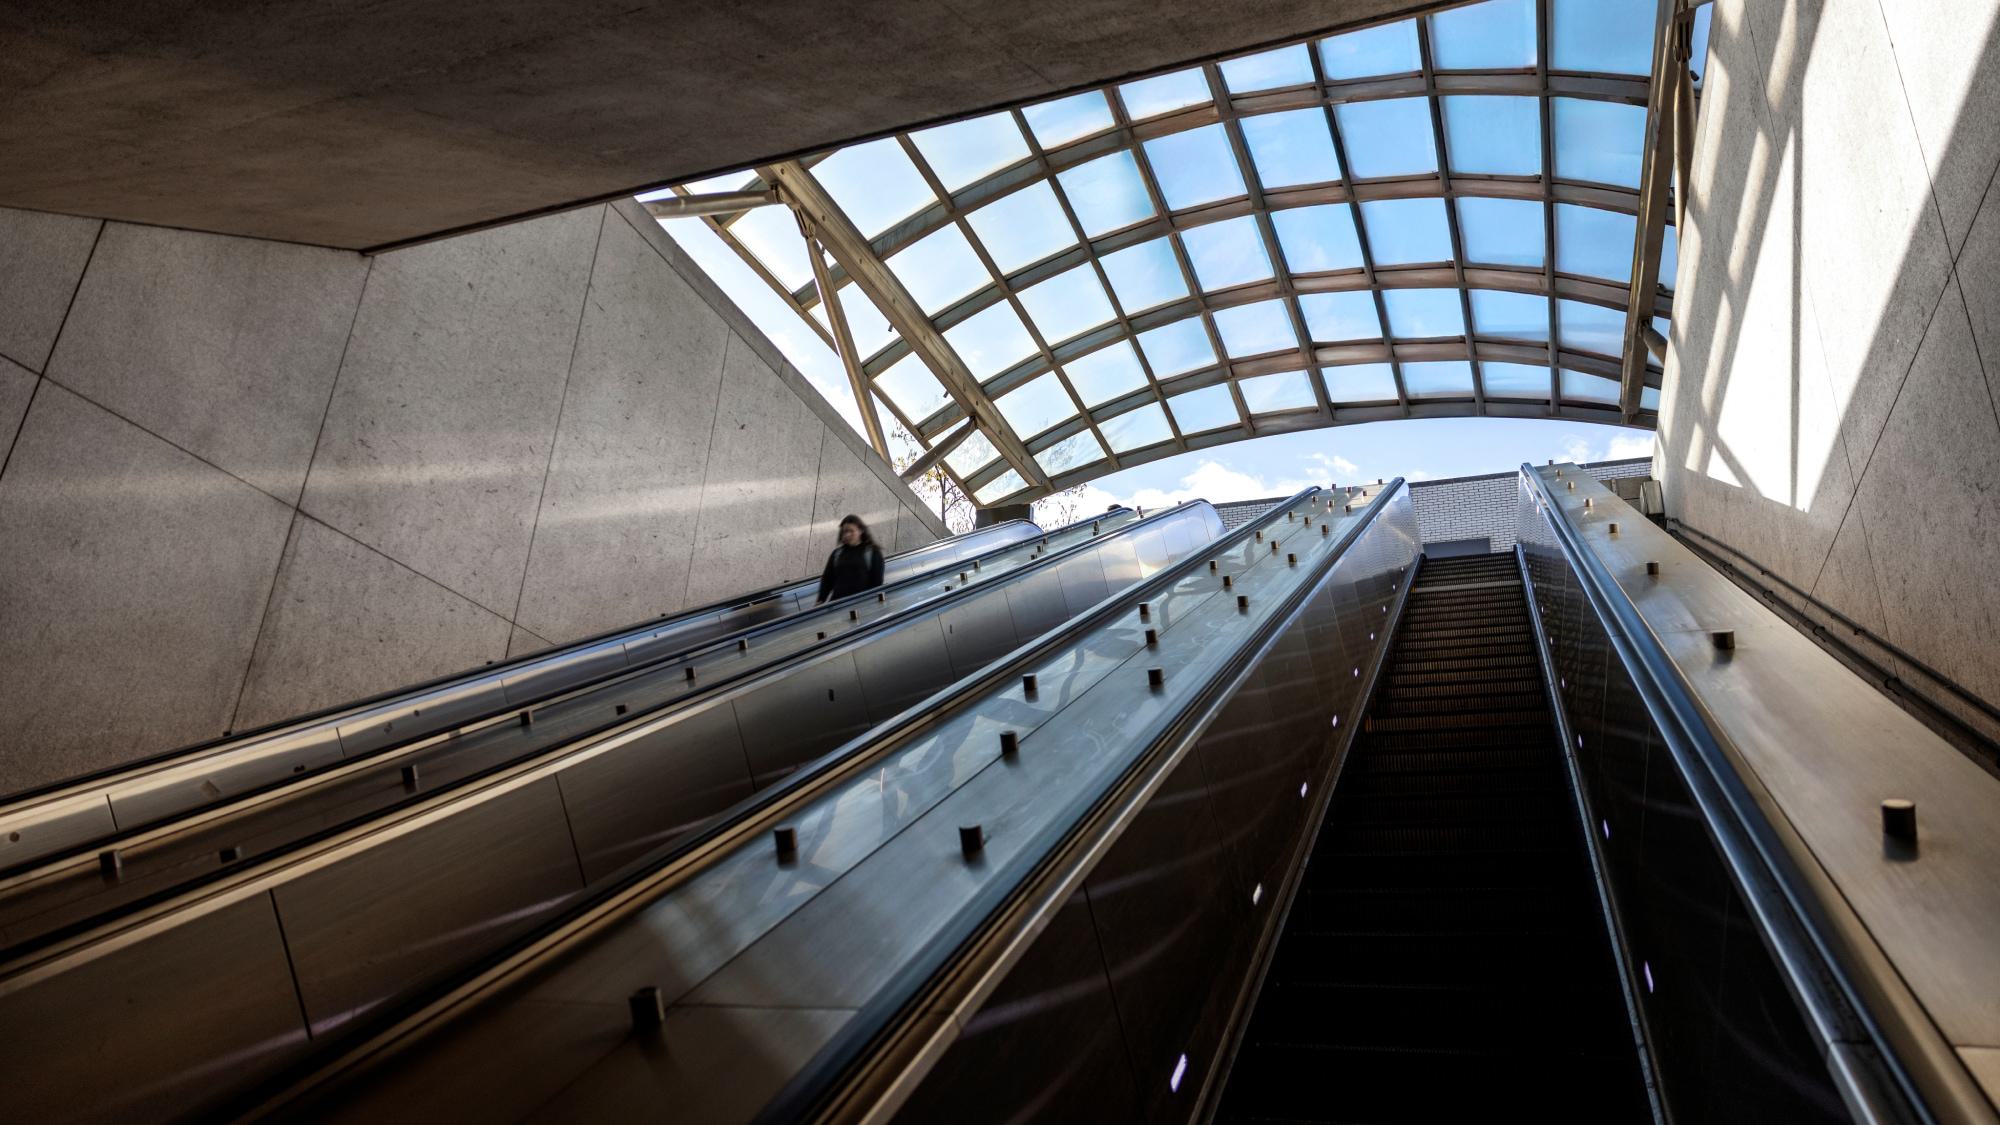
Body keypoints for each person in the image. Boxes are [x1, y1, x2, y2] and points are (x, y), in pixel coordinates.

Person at [816, 514, 885, 604]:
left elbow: (877, 582)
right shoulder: (837, 554)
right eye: (845, 531)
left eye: (851, 531)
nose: (847, 534)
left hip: (863, 604)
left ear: (861, 531)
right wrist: (820, 600)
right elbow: (827, 580)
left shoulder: (872, 553)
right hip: (838, 604)